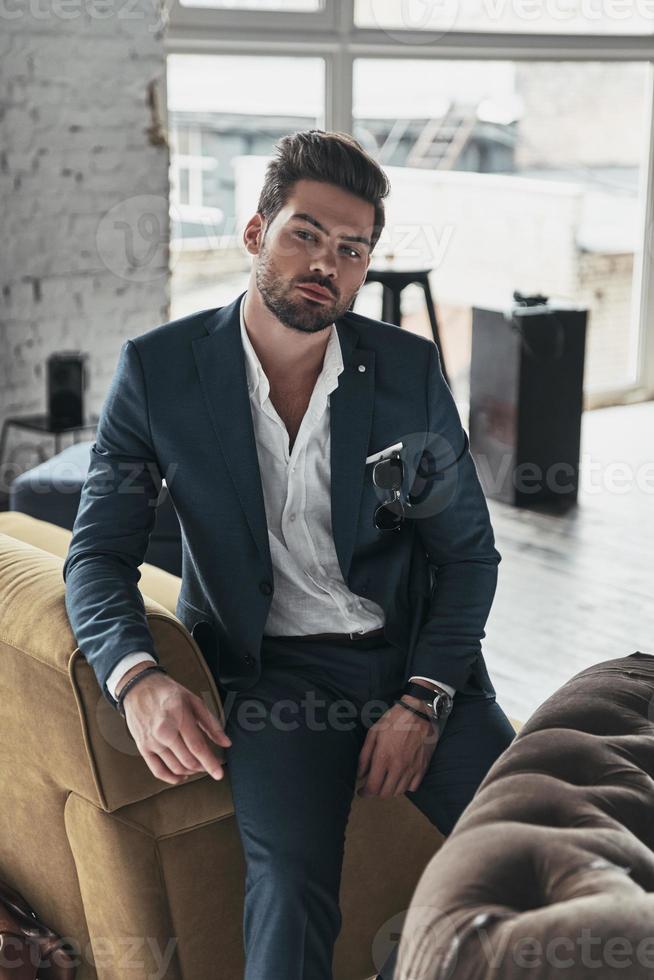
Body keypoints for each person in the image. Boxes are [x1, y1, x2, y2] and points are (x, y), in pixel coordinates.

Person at [63, 129, 515, 980]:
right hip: (273, 677)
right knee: (289, 881)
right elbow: (96, 555)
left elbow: (469, 559)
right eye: (305, 233)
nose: (327, 264)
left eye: (352, 249)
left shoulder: (409, 372)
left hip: (410, 657)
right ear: (254, 233)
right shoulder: (159, 373)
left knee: (537, 850)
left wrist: (423, 699)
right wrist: (137, 677)